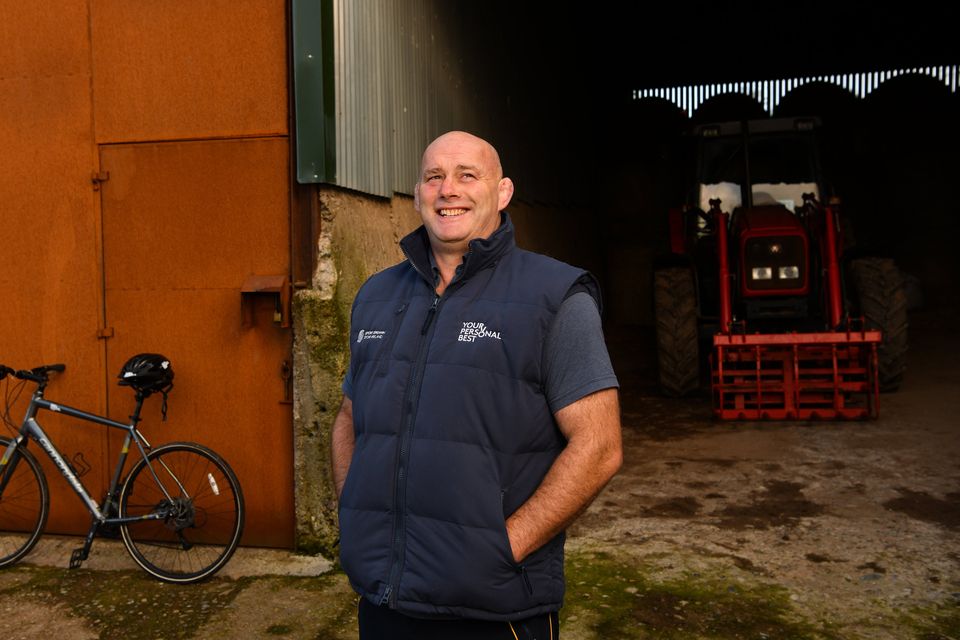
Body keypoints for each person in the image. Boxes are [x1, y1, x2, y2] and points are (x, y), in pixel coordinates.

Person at [332, 131, 622, 639]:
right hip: (383, 604)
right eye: (434, 177)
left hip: (494, 611)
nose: (449, 189)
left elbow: (599, 447)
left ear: (503, 192)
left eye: (468, 175)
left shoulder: (554, 297)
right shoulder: (376, 296)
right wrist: (356, 520)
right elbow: (349, 420)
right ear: (418, 193)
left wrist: (502, 546)